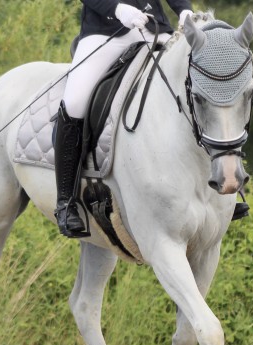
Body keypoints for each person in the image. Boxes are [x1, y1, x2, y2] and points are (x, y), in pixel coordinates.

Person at [54, 0, 193, 237]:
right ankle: (66, 202)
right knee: (75, 102)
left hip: (153, 30)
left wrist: (184, 9)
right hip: (105, 32)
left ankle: (217, 186)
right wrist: (117, 9)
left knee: (195, 79)